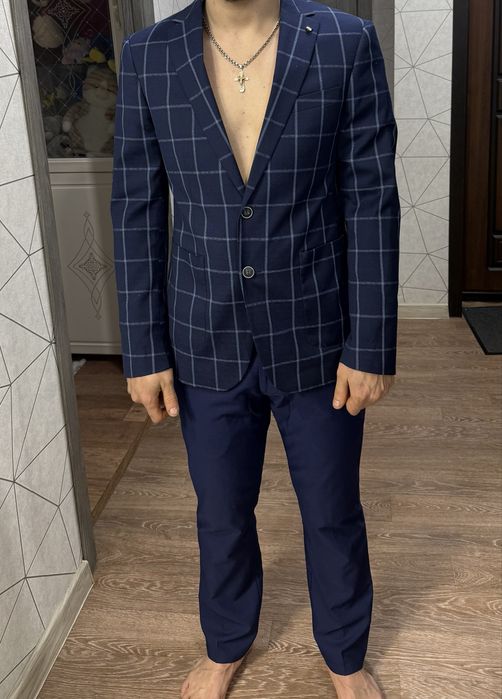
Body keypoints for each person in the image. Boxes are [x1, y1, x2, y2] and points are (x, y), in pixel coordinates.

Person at [110, 0, 400, 696]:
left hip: (317, 329)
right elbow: (136, 206)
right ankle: (226, 642)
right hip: (202, 333)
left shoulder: (346, 43)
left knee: (332, 509)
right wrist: (143, 348)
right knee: (220, 511)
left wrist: (371, 342)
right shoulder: (149, 55)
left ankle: (344, 655)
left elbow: (371, 197)